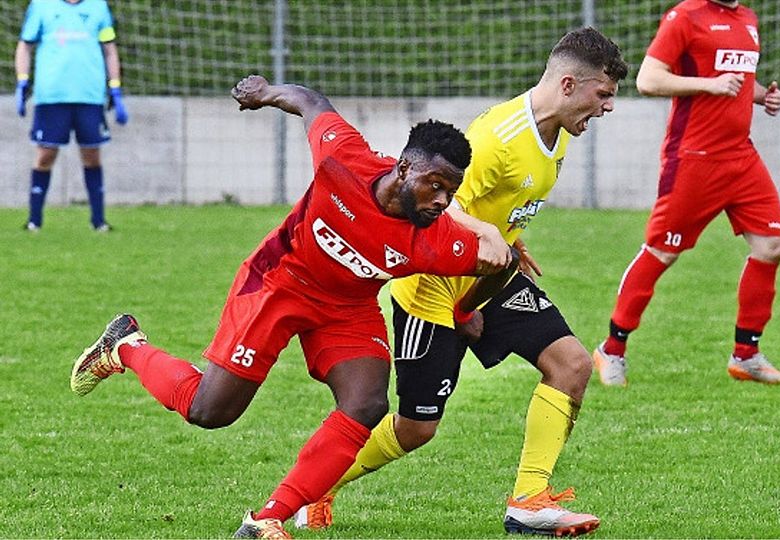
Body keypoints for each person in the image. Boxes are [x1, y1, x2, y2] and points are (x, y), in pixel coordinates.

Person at [69, 74, 517, 539]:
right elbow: (311, 101)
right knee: (210, 412)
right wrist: (264, 94)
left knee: (367, 403)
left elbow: (504, 265)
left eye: (450, 192)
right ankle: (126, 346)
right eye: (435, 185)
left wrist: (464, 310)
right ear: (404, 169)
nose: (442, 201)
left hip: (347, 308)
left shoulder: (438, 239)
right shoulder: (343, 159)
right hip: (278, 284)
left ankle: (267, 518)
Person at [295, 28, 628, 537]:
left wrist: (508, 237)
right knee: (416, 428)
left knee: (572, 364)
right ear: (568, 84)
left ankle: (529, 500)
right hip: (431, 288)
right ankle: (314, 488)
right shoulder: (498, 138)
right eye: (602, 94)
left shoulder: (558, 130)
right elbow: (438, 210)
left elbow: (490, 209)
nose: (607, 107)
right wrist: (470, 287)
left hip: (489, 278)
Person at [592, 0, 780, 387]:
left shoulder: (747, 18)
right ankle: (611, 350)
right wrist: (709, 84)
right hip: (693, 159)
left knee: (771, 247)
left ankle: (746, 356)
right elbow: (649, 79)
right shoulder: (685, 17)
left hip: (741, 156)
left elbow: (736, 81)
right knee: (662, 252)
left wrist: (761, 96)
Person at [15, 0, 128, 232]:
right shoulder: (41, 5)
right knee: (45, 155)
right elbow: (25, 46)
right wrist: (22, 81)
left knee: (92, 155)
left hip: (89, 95)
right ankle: (34, 221)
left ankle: (99, 221)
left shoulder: (98, 7)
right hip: (51, 95)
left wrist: (115, 87)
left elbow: (109, 48)